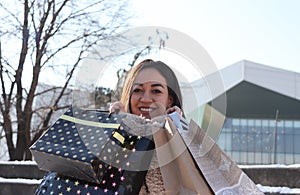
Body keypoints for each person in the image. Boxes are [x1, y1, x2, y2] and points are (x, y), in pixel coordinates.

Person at [109, 59, 184, 194]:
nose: (145, 98)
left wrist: (168, 125)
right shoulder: (111, 133)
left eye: (156, 91)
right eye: (138, 90)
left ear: (170, 99)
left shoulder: (183, 141)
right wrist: (119, 123)